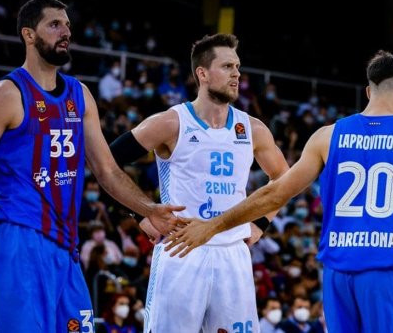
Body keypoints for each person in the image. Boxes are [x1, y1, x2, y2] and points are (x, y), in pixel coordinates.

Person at [165, 50, 393, 332]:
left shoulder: (326, 136)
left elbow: (274, 194)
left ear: (369, 91)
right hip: (388, 273)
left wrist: (212, 226)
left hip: (337, 276)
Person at [0, 0, 183, 332]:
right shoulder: (6, 95)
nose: (66, 32)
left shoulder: (80, 95)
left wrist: (149, 208)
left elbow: (107, 171)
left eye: (68, 26)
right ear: (29, 35)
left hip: (66, 247)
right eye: (55, 25)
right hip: (20, 242)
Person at [109, 33, 289, 332]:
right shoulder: (170, 122)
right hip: (183, 251)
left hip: (233, 253)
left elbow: (283, 176)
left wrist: (262, 223)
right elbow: (107, 162)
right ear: (202, 74)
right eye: (228, 66)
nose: (237, 74)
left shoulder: (253, 128)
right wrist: (141, 213)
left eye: (238, 66)